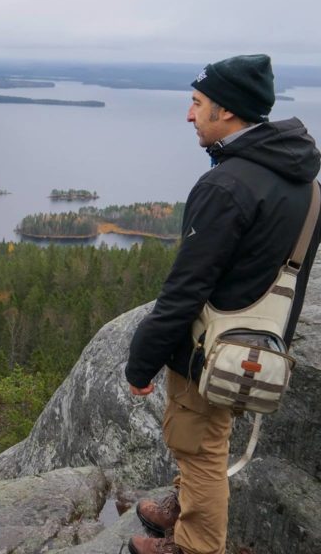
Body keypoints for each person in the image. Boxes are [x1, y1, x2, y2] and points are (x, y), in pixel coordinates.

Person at [125, 55, 321, 554]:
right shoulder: (307, 185)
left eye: (197, 103)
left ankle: (194, 545)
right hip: (256, 342)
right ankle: (184, 504)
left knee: (200, 446)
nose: (189, 115)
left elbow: (185, 288)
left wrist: (142, 361)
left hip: (208, 344)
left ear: (227, 110)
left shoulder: (227, 185)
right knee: (207, 433)